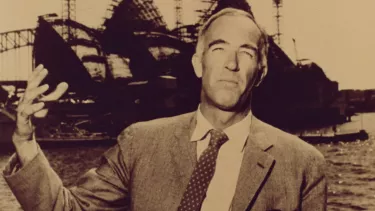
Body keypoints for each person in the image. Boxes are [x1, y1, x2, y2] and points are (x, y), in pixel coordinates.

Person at [3, 8, 327, 211]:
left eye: (246, 52)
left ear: (261, 71)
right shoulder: (140, 142)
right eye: (219, 49)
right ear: (198, 63)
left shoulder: (302, 166)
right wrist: (25, 141)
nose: (231, 63)